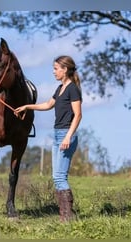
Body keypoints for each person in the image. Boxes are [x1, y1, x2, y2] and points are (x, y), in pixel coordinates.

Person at [14, 55, 82, 222]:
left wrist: (68, 137)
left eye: (56, 68)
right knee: (57, 176)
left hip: (66, 134)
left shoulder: (73, 89)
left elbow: (78, 115)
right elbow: (47, 105)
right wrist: (26, 106)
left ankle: (67, 216)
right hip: (58, 134)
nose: (53, 72)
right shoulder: (60, 89)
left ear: (65, 69)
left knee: (60, 177)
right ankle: (66, 216)